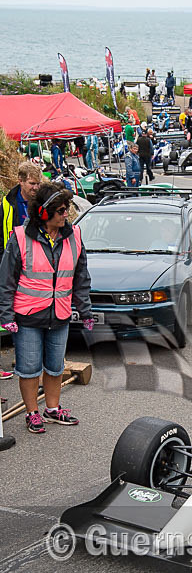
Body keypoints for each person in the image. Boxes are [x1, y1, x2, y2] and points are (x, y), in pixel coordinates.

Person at [0, 183, 93, 433]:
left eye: (67, 209)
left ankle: (52, 409)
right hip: (28, 316)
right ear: (43, 212)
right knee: (29, 370)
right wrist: (6, 315)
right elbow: (6, 279)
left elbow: (81, 277)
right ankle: (32, 413)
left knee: (55, 367)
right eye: (61, 210)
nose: (67, 215)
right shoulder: (20, 238)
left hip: (59, 314)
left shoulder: (74, 236)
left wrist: (85, 310)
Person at [0, 162, 43, 380]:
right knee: (9, 311)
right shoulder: (7, 204)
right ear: (21, 181)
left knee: (30, 312)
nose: (36, 188)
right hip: (11, 262)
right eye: (32, 183)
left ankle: (26, 357)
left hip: (35, 267)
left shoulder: (43, 202)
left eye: (38, 183)